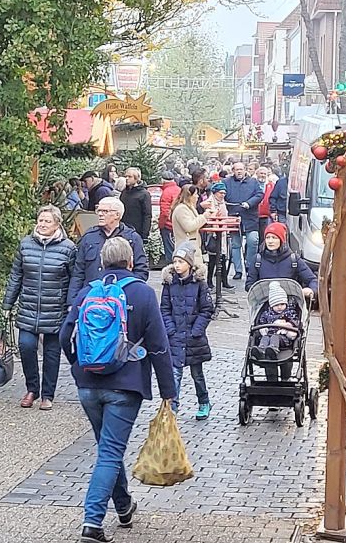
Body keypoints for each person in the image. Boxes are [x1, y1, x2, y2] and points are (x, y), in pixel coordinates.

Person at [60, 237, 176, 543]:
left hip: (88, 385)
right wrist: (168, 390)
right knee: (110, 453)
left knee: (107, 449)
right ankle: (92, 523)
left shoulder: (88, 292)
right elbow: (159, 346)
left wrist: (78, 365)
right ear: (130, 262)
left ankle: (123, 506)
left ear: (101, 262)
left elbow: (64, 335)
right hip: (125, 386)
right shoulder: (142, 293)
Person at [2, 205, 76, 411]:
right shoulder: (25, 244)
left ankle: (47, 395)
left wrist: (71, 305)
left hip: (55, 308)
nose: (42, 224)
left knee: (52, 353)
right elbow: (16, 275)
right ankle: (32, 388)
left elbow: (74, 279)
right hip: (29, 306)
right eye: (40, 220)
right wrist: (8, 303)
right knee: (26, 346)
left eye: (47, 221)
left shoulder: (68, 248)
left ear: (57, 225)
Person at [161, 242, 214, 419]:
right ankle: (173, 407)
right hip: (175, 336)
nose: (177, 265)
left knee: (197, 374)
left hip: (193, 337)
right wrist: (170, 329)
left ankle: (204, 401)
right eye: (175, 261)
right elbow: (165, 309)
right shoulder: (169, 284)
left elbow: (207, 309)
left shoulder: (199, 284)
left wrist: (196, 330)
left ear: (189, 264)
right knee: (175, 373)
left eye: (181, 262)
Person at [67, 196, 148, 305]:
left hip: (120, 300)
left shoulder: (132, 238)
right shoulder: (89, 237)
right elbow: (78, 272)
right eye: (98, 210)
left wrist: (127, 291)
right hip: (91, 299)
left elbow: (141, 271)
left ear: (117, 215)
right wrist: (72, 302)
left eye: (105, 211)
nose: (100, 214)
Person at [245, 222, 317, 296]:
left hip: (289, 303)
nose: (270, 241)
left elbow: (312, 279)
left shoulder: (294, 260)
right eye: (267, 237)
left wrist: (311, 290)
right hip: (265, 303)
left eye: (274, 238)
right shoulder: (257, 260)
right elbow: (249, 285)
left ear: (281, 240)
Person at [252, 281, 302, 381]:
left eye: (282, 304)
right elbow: (261, 322)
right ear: (271, 306)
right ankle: (261, 350)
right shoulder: (267, 314)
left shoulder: (288, 312)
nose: (280, 307)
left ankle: (273, 349)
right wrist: (262, 328)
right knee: (265, 338)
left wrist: (287, 326)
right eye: (276, 305)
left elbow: (295, 322)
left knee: (275, 337)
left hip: (283, 338)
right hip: (269, 335)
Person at [225, 162, 264, 280]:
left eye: (241, 169)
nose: (239, 172)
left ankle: (250, 267)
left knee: (253, 241)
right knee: (236, 244)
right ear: (233, 171)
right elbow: (220, 193)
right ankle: (238, 270)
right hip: (234, 217)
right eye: (237, 169)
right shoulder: (226, 182)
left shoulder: (253, 182)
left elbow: (259, 194)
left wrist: (249, 203)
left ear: (245, 170)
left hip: (250, 217)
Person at [171, 184, 214, 268]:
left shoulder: (189, 208)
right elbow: (189, 227)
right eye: (195, 194)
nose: (197, 196)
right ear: (189, 196)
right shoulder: (181, 209)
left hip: (193, 247)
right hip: (186, 248)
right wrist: (204, 216)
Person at [205, 182, 233, 290]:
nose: (223, 195)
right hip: (213, 234)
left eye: (224, 193)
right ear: (215, 193)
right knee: (213, 258)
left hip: (222, 233)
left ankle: (224, 281)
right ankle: (209, 280)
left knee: (222, 257)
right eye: (220, 193)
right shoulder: (209, 202)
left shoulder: (222, 203)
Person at [119, 167, 152, 241]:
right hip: (123, 229)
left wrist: (144, 235)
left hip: (137, 231)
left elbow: (147, 215)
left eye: (129, 176)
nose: (127, 178)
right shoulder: (124, 192)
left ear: (137, 178)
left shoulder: (144, 194)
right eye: (126, 176)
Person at [157, 170, 180, 262]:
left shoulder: (166, 192)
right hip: (178, 224)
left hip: (168, 225)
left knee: (169, 250)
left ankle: (171, 270)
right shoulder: (179, 189)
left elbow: (164, 213)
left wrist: (161, 225)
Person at [256, 166, 274, 244]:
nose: (262, 175)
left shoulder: (271, 185)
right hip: (254, 215)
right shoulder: (252, 183)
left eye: (264, 174)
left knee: (264, 235)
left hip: (266, 215)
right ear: (257, 174)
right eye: (261, 173)